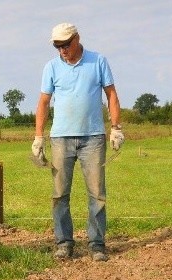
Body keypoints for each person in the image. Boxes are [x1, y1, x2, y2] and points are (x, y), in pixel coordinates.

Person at [32, 22, 124, 262]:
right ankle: (64, 243)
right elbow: (43, 102)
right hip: (61, 138)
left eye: (66, 45)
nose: (63, 50)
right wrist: (38, 136)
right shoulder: (51, 67)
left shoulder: (98, 61)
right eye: (58, 46)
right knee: (60, 193)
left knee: (97, 194)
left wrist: (115, 128)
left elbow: (111, 94)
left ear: (77, 39)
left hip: (93, 138)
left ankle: (96, 244)